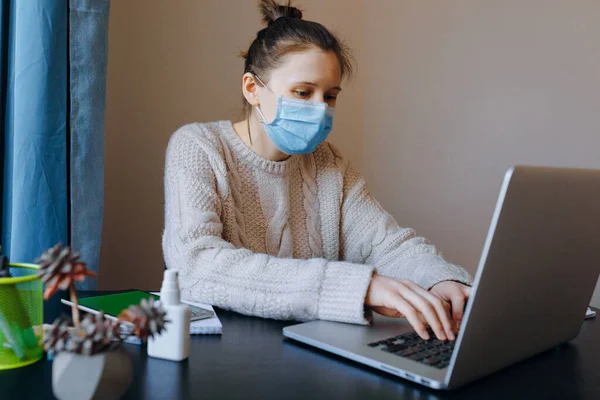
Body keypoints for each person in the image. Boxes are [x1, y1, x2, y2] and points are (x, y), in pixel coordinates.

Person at [162, 0, 472, 341]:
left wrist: (442, 280)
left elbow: (388, 246)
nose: (319, 109)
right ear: (252, 89)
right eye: (303, 92)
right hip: (225, 359)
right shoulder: (197, 146)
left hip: (309, 352)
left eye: (330, 95)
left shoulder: (328, 164)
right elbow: (194, 265)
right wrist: (360, 287)